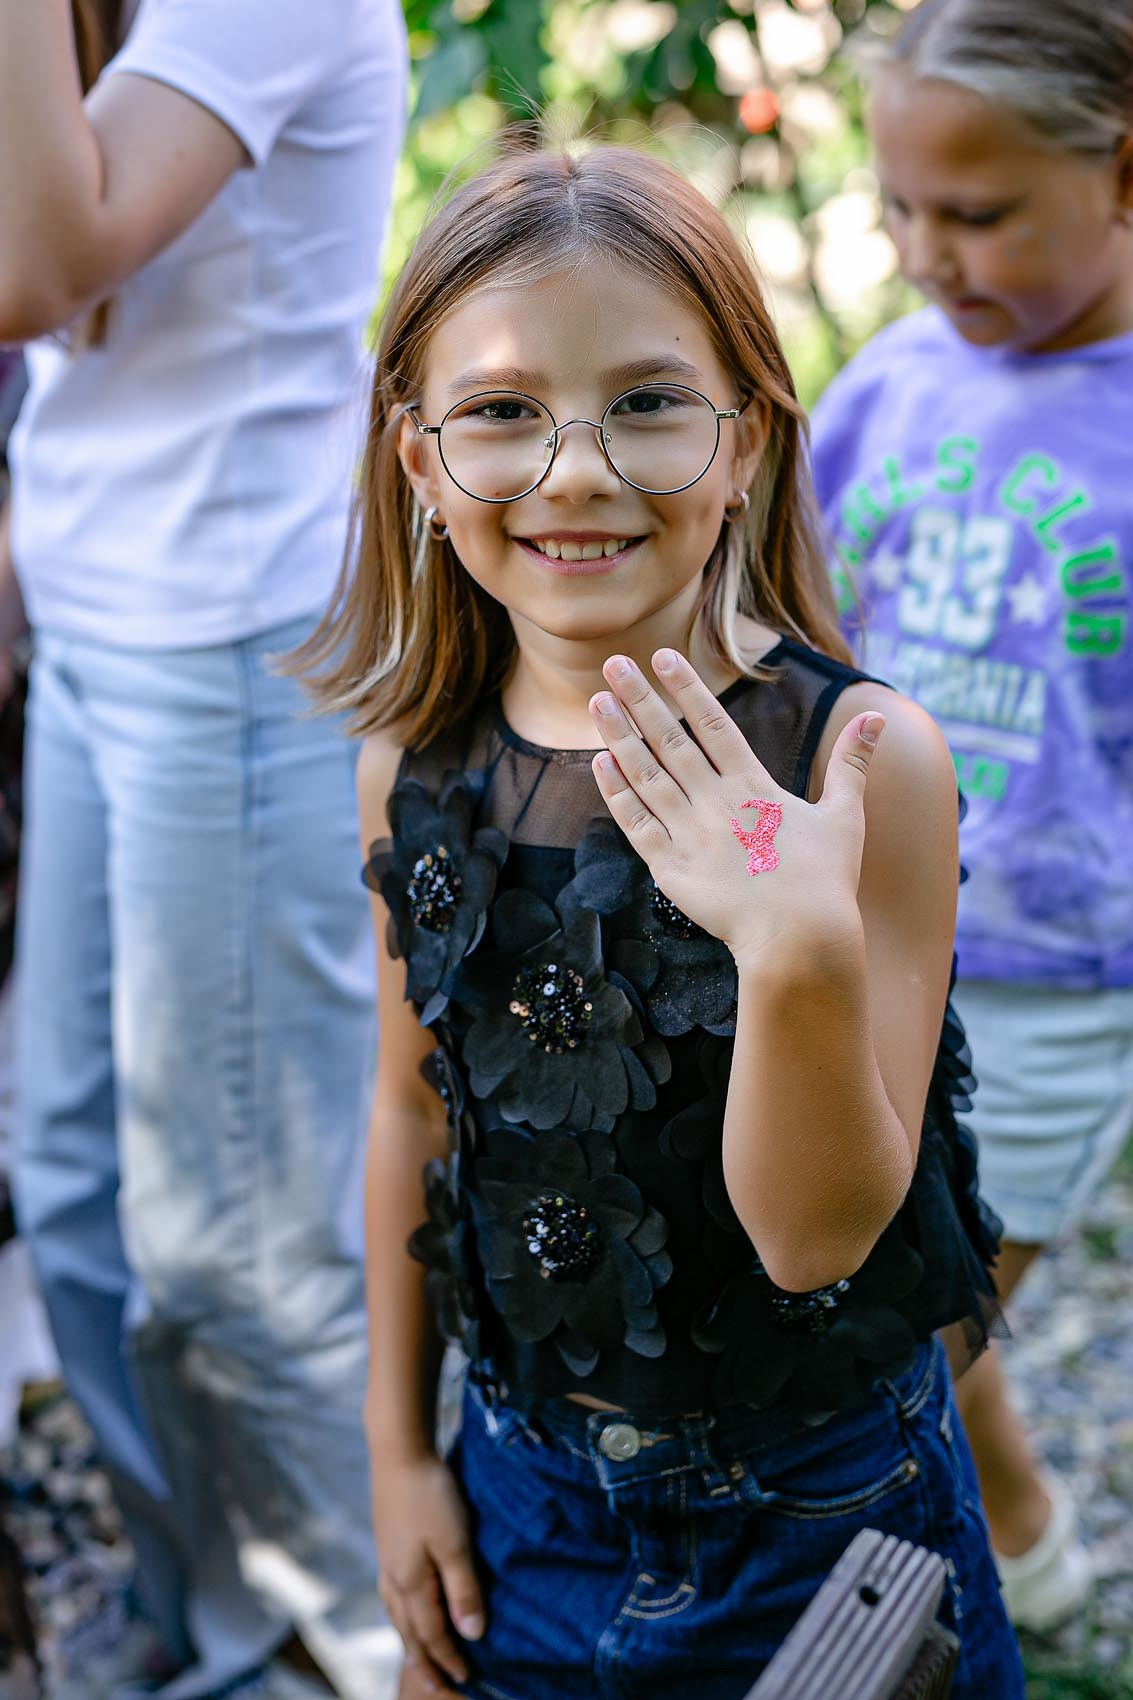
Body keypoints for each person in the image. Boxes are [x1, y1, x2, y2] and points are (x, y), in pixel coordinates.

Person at [298, 142, 1025, 1700]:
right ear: (419, 462)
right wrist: (396, 1459)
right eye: (499, 411)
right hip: (523, 1505)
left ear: (745, 441)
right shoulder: (414, 764)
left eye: (644, 402)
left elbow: (811, 1235)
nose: (574, 468)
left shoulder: (861, 766)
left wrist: (795, 947)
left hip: (822, 1517)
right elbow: (403, 1111)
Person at [0, 3, 407, 1696]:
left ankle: (368, 1646)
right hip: (110, 622)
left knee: (234, 1243)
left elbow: (39, 259)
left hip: (231, 653)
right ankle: (211, 1635)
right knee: (80, 1189)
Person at [810, 0, 1133, 1638]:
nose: (927, 254)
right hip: (863, 929)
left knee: (903, 1302)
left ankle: (951, 1587)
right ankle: (1018, 1534)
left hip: (1054, 975)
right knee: (881, 1271)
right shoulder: (886, 382)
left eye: (979, 213)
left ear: (1123, 171)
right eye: (899, 208)